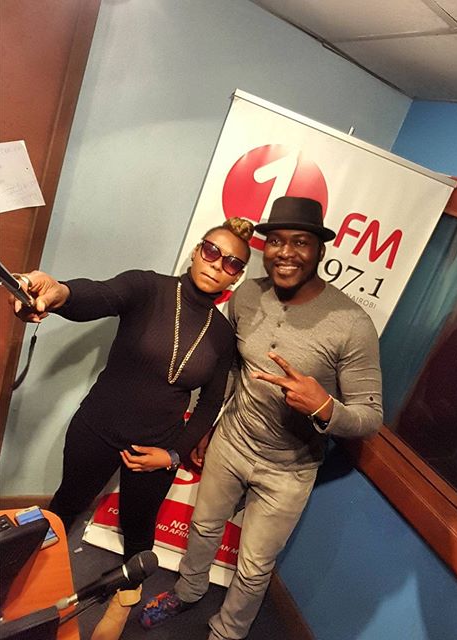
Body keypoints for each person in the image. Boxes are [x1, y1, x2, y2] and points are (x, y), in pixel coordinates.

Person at [140, 196, 383, 640]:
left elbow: (370, 418)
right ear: (264, 247)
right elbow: (233, 367)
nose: (286, 252)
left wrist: (325, 407)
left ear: (320, 250)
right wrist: (211, 425)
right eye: (275, 241)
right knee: (204, 528)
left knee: (253, 569)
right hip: (232, 442)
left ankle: (227, 632)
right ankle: (188, 591)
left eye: (300, 242)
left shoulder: (352, 324)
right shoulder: (247, 294)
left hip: (289, 469)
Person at [8, 217, 254, 640]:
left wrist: (173, 455)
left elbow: (211, 402)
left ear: (238, 275)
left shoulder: (222, 334)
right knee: (66, 506)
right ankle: (24, 583)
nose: (218, 264)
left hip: (156, 448)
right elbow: (98, 295)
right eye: (212, 251)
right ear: (197, 251)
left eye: (232, 263)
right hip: (97, 428)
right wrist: (59, 292)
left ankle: (123, 603)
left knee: (139, 532)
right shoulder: (148, 287)